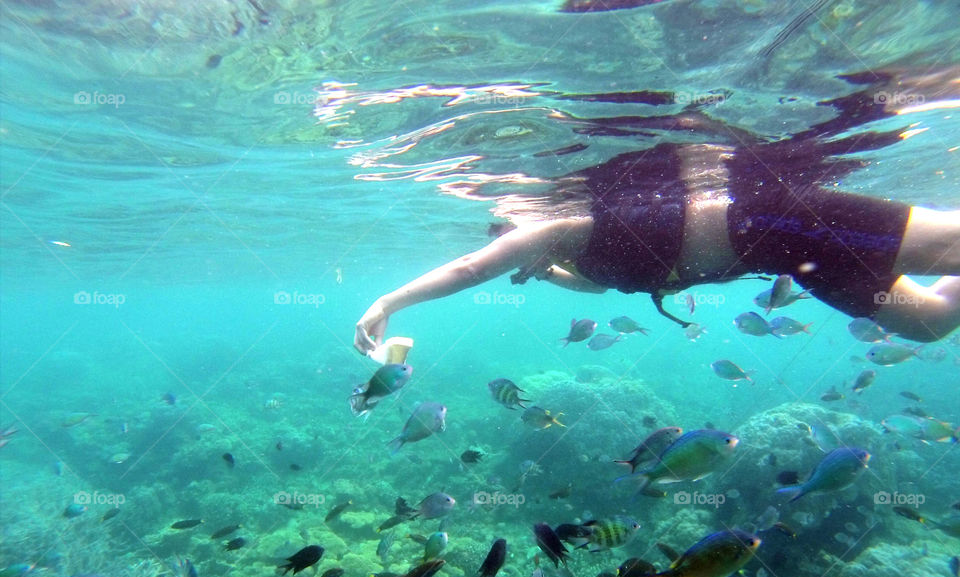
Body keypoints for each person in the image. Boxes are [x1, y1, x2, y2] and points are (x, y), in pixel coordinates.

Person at [354, 141, 960, 354]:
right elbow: (602, 286)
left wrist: (388, 302)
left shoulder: (552, 224)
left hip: (785, 222)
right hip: (789, 258)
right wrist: (552, 275)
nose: (510, 248)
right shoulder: (571, 255)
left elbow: (468, 269)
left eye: (507, 239)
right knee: (928, 323)